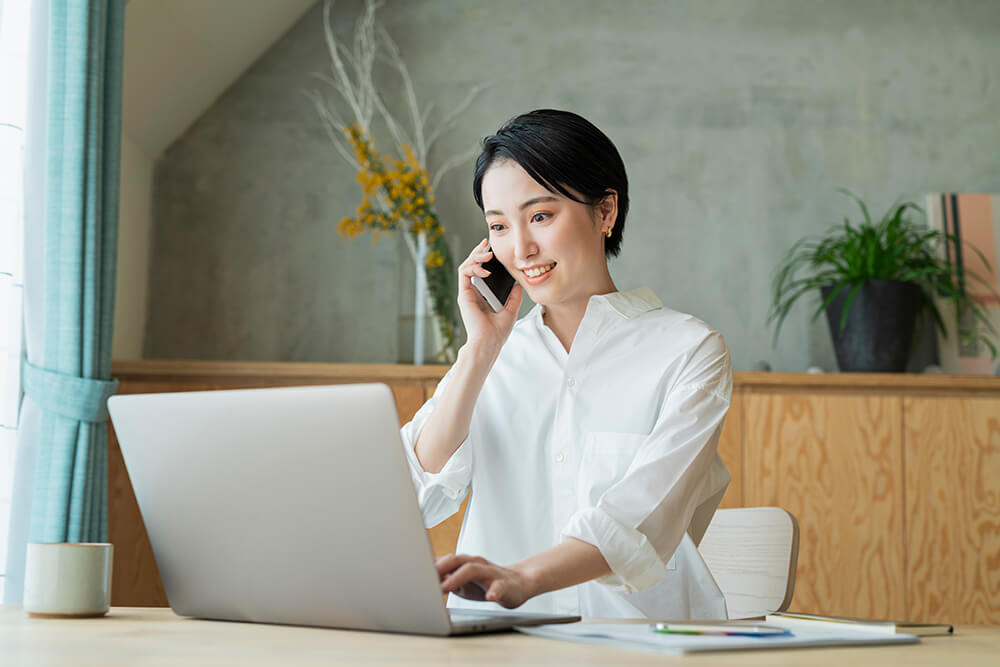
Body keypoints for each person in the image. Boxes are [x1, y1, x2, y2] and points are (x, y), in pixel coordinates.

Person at [400, 109, 732, 619]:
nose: (521, 248)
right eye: (498, 226)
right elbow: (416, 498)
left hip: (637, 647)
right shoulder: (493, 355)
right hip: (497, 645)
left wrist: (523, 578)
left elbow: (638, 521)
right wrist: (479, 352)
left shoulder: (688, 351)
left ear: (605, 213)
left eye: (540, 216)